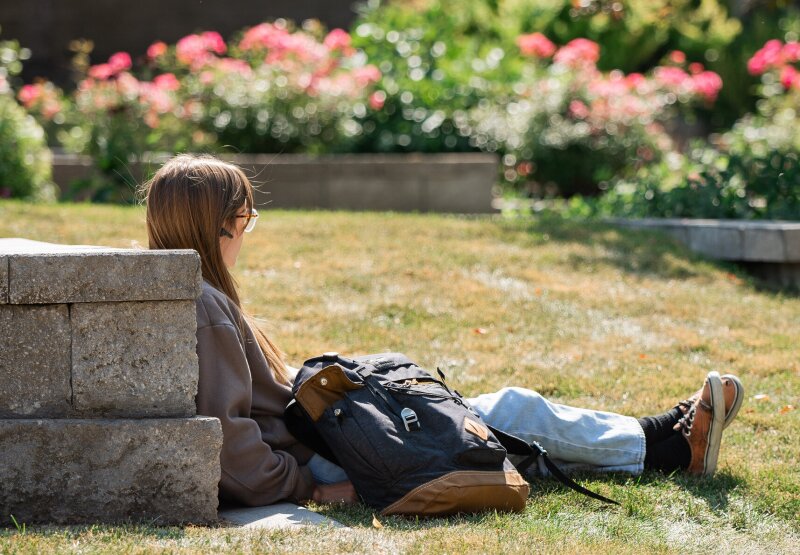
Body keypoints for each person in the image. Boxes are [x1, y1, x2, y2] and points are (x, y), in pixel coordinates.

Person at [142, 154, 745, 507]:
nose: (248, 231)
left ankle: (664, 442)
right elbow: (228, 435)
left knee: (478, 421)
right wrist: (307, 488)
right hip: (320, 458)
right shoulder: (206, 305)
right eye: (244, 218)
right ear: (220, 226)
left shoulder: (188, 294)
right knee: (502, 413)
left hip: (320, 439)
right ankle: (663, 444)